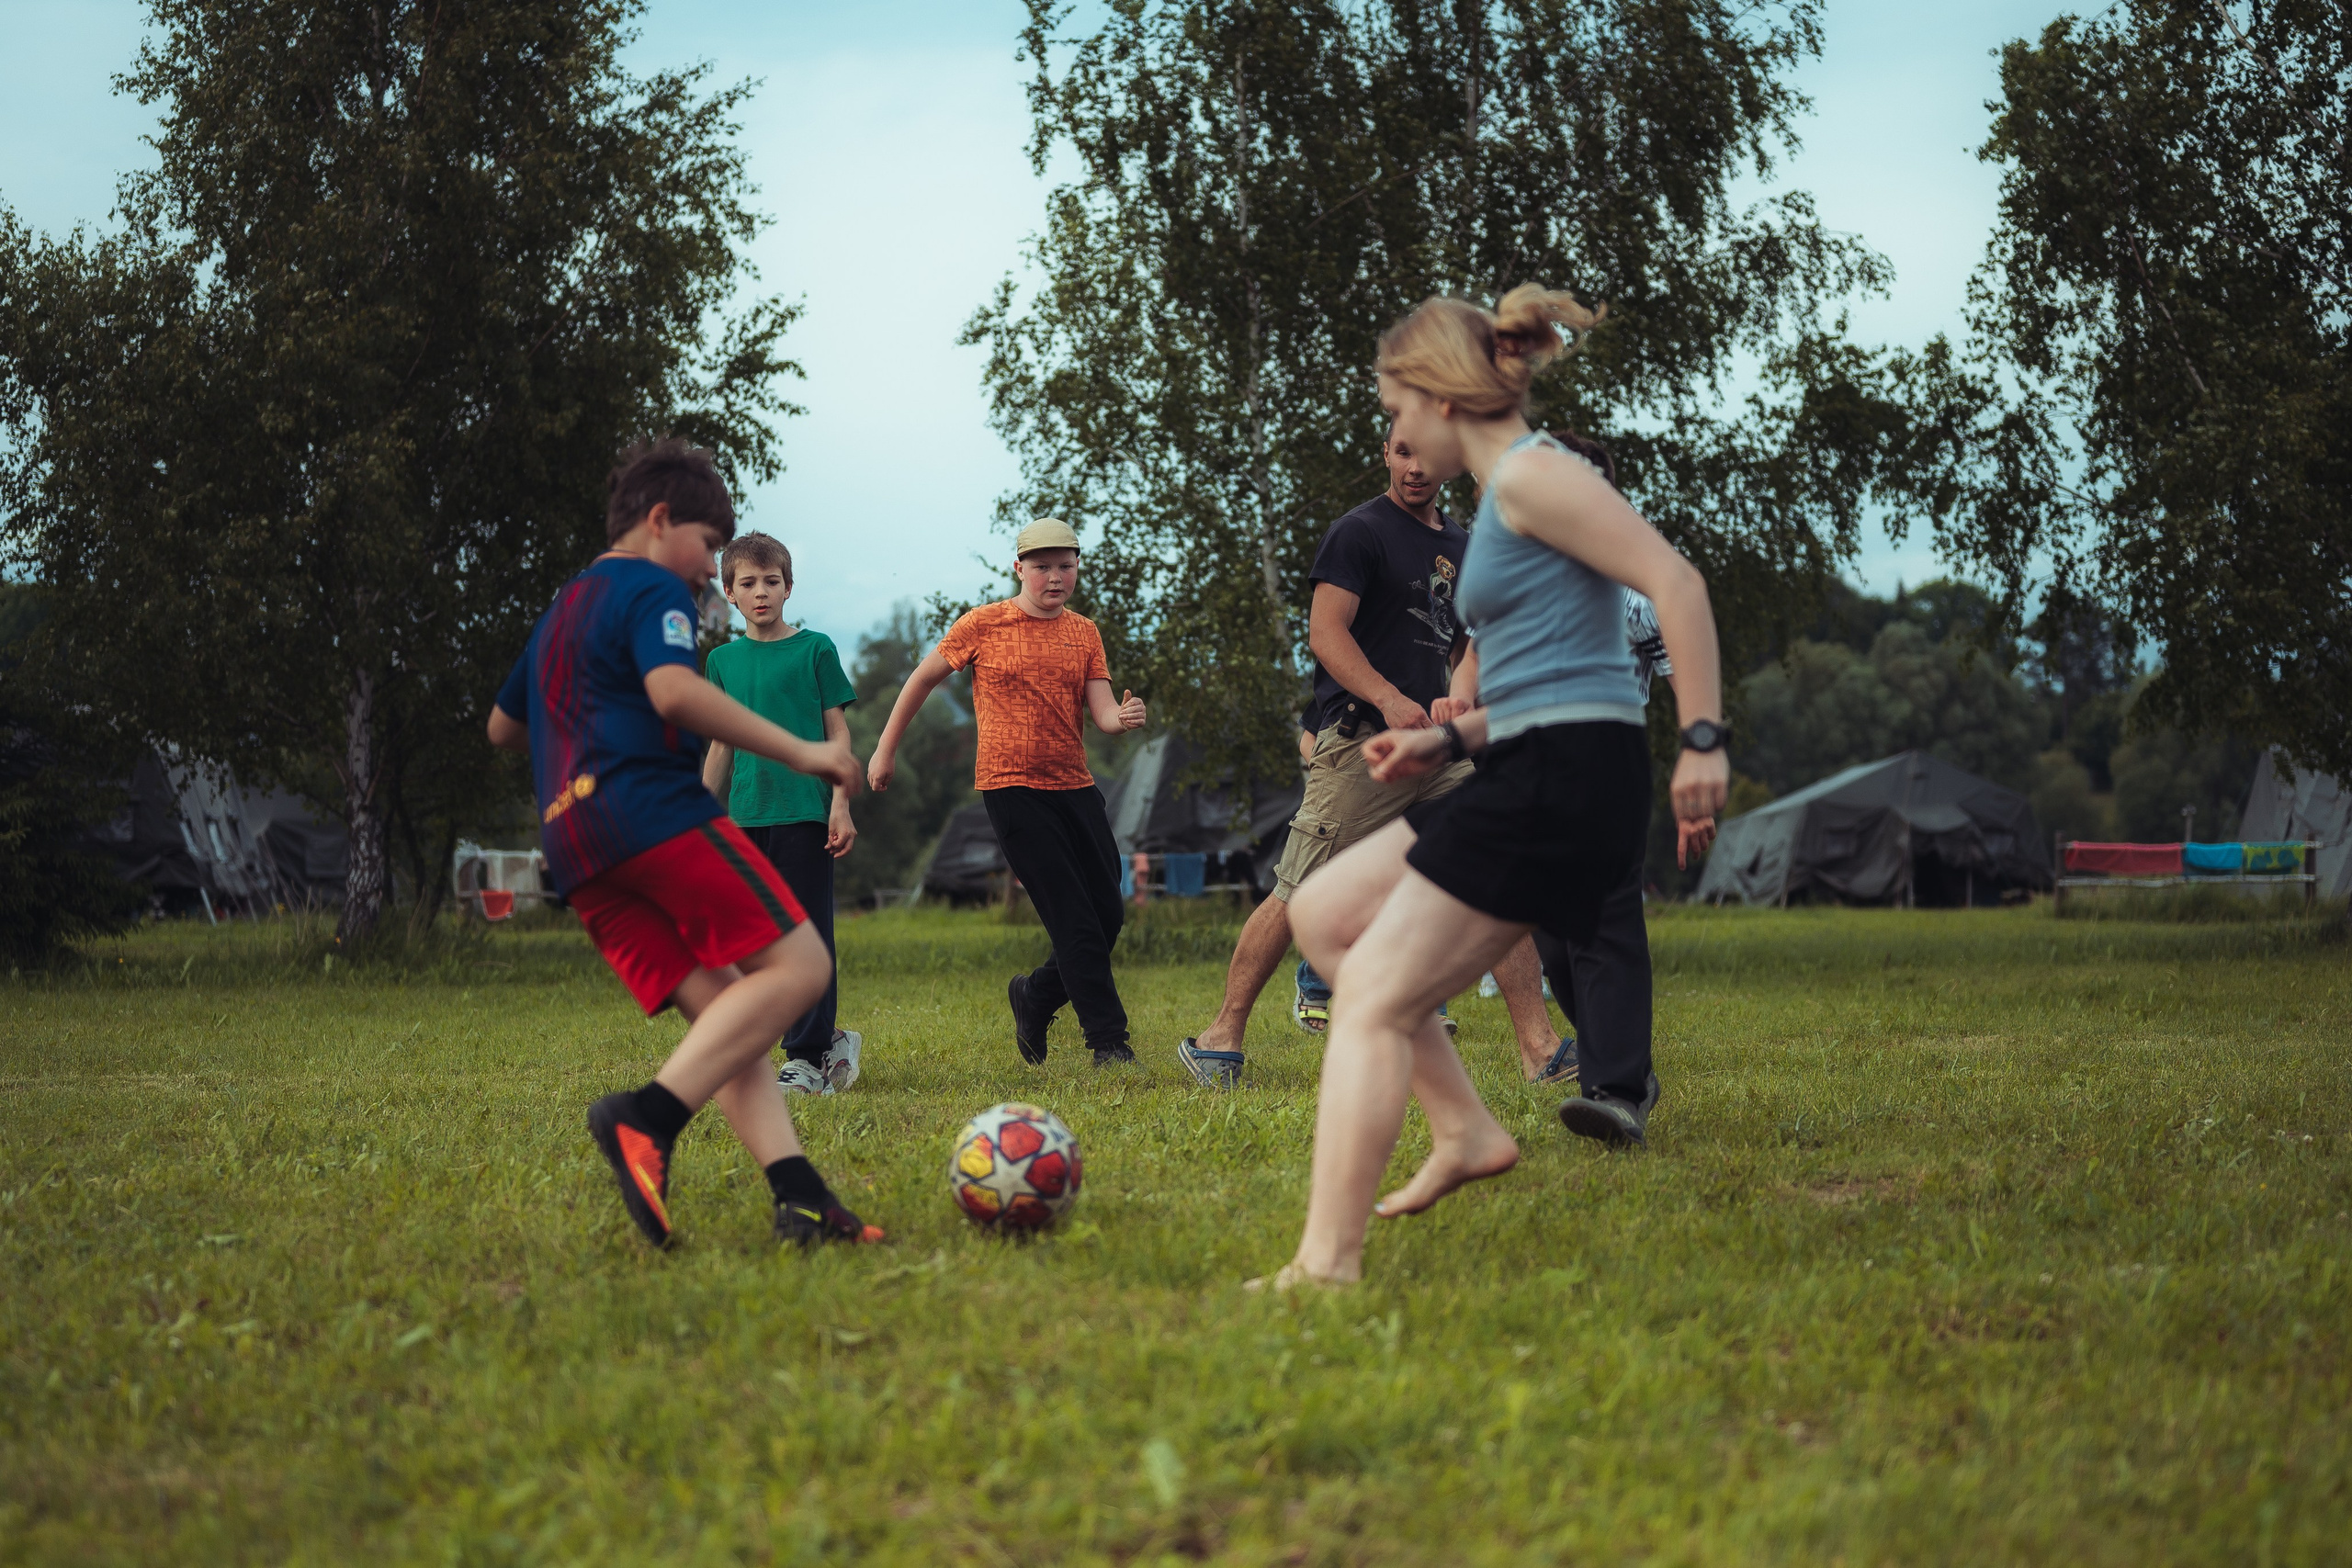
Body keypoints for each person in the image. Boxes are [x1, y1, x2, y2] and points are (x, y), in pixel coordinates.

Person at [1256, 287, 1729, 1290]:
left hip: (1565, 778)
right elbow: (1557, 669)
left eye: (1398, 408)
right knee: (1326, 915)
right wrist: (1448, 736)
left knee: (1371, 997)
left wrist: (1701, 743)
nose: (1398, 434)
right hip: (1531, 756)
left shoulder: (1532, 476)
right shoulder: (1509, 495)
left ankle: (1326, 1264)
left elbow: (1677, 584)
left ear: (1439, 397)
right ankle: (1465, 1130)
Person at [487, 438, 881, 1250]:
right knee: (802, 967)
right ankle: (647, 1117)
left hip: (577, 847)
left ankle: (802, 1200)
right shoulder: (651, 586)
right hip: (647, 812)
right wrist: (804, 751)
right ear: (660, 519)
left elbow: (503, 726)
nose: (708, 570)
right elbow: (673, 691)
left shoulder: (564, 606)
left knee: (730, 1020)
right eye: (707, 547)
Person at [1177, 432, 1564, 1090]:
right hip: (1361, 743)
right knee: (1298, 892)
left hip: (1437, 749)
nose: (1416, 467)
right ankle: (1220, 1038)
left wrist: (1463, 702)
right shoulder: (1359, 532)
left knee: (1492, 876)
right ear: (1385, 453)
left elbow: (1466, 645)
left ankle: (1541, 1049)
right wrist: (1389, 699)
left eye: (1428, 455)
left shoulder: (1464, 545)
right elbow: (1325, 633)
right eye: (1403, 451)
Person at [1433, 432, 1713, 1106]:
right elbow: (1474, 655)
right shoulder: (1518, 581)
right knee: (1554, 942)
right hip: (1523, 768)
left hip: (1603, 769)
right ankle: (1616, 1058)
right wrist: (1459, 703)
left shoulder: (1630, 590)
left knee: (1603, 926)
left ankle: (1618, 1089)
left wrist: (1700, 754)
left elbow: (1684, 670)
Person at [866, 517, 1148, 1066]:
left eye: (1065, 566)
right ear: (1019, 568)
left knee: (1106, 916)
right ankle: (1109, 1042)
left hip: (1076, 786)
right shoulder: (983, 624)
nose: (1055, 577)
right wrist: (884, 750)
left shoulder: (1085, 632)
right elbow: (921, 679)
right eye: (1042, 567)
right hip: (1011, 787)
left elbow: (1104, 713)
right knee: (1073, 919)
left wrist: (1125, 717)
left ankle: (1035, 995)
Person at [700, 531, 865, 1098]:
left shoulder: (815, 649)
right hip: (746, 818)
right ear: (729, 593)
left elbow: (837, 733)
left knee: (806, 935)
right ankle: (829, 1039)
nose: (761, 592)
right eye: (748, 583)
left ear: (789, 587)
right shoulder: (721, 662)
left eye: (772, 582)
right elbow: (720, 745)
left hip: (804, 814)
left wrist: (840, 805)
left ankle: (807, 1057)